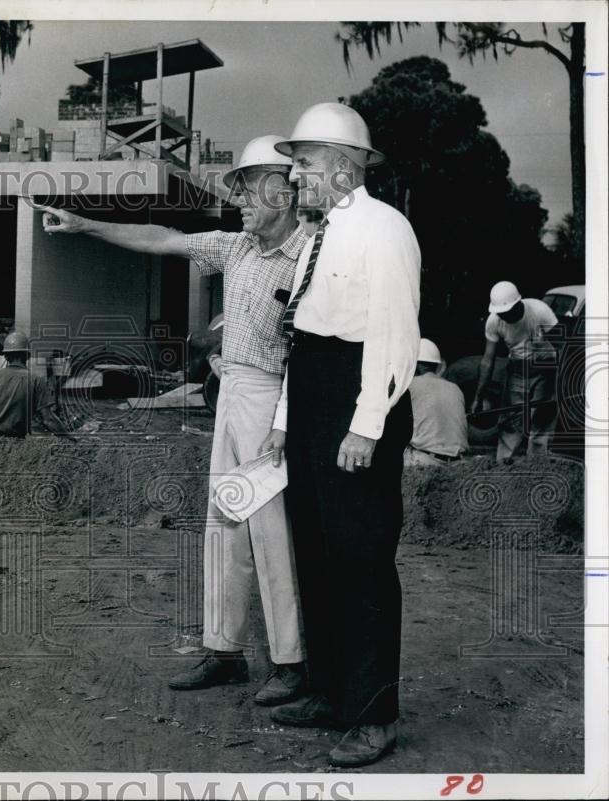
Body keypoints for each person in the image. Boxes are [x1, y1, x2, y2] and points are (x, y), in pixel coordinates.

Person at [43, 135, 308, 707]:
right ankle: (225, 650)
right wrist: (85, 224)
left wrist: (284, 419)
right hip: (232, 396)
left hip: (272, 403)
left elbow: (312, 355)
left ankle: (292, 662)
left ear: (283, 195)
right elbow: (164, 238)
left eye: (247, 189)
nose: (236, 198)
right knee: (224, 527)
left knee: (272, 534)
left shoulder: (312, 256)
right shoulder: (236, 248)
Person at [265, 103, 420, 767]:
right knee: (318, 556)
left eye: (302, 162)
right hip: (313, 403)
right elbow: (301, 337)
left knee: (360, 565)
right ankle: (330, 692)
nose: (294, 173)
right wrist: (281, 422)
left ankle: (374, 715)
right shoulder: (316, 235)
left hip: (359, 404)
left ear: (343, 166)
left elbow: (394, 332)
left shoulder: (385, 229)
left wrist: (366, 426)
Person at [471, 281, 558, 459]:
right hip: (517, 369)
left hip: (545, 366)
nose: (503, 316)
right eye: (500, 313)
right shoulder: (494, 321)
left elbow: (562, 347)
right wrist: (478, 396)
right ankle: (504, 464)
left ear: (518, 303)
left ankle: (537, 463)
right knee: (512, 420)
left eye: (506, 312)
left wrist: (560, 384)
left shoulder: (539, 311)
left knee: (540, 421)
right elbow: (488, 360)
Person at [0, 332, 69, 437]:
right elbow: (48, 420)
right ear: (28, 356)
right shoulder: (36, 380)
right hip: (14, 443)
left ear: (6, 356)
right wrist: (70, 439)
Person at [404, 338, 468, 466]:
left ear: (414, 364)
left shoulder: (409, 386)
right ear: (436, 365)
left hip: (425, 461)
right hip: (458, 461)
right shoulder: (455, 388)